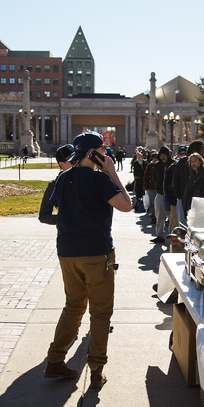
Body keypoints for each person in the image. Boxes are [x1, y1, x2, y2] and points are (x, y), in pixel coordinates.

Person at [44, 131, 132, 390]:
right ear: (93, 153)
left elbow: (60, 208)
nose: (106, 155)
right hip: (96, 253)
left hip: (68, 252)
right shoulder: (99, 179)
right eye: (103, 150)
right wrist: (112, 173)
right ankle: (96, 368)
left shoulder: (63, 178)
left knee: (73, 306)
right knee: (101, 312)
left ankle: (55, 359)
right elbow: (126, 205)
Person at [37, 144, 74, 225]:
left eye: (78, 159)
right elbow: (43, 216)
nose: (76, 163)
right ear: (62, 164)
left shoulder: (85, 179)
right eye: (72, 160)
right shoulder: (54, 185)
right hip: (66, 234)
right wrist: (64, 219)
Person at [151, 145, 175, 245]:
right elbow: (154, 178)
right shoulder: (157, 166)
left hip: (171, 195)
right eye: (161, 155)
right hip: (160, 194)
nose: (163, 157)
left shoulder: (174, 165)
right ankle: (160, 235)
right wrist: (158, 186)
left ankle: (171, 237)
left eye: (165, 155)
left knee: (172, 217)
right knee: (159, 215)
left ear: (168, 155)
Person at [181, 152, 204, 217]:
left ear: (200, 162)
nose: (193, 163)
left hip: (201, 209)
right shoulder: (192, 176)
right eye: (191, 161)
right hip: (191, 208)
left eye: (195, 161)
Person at [130, 147, 147, 212]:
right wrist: (135, 177)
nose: (139, 157)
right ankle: (138, 202)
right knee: (138, 189)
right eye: (138, 156)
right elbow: (135, 171)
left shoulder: (145, 162)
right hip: (138, 178)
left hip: (144, 178)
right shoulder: (136, 163)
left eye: (140, 156)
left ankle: (144, 203)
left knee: (144, 190)